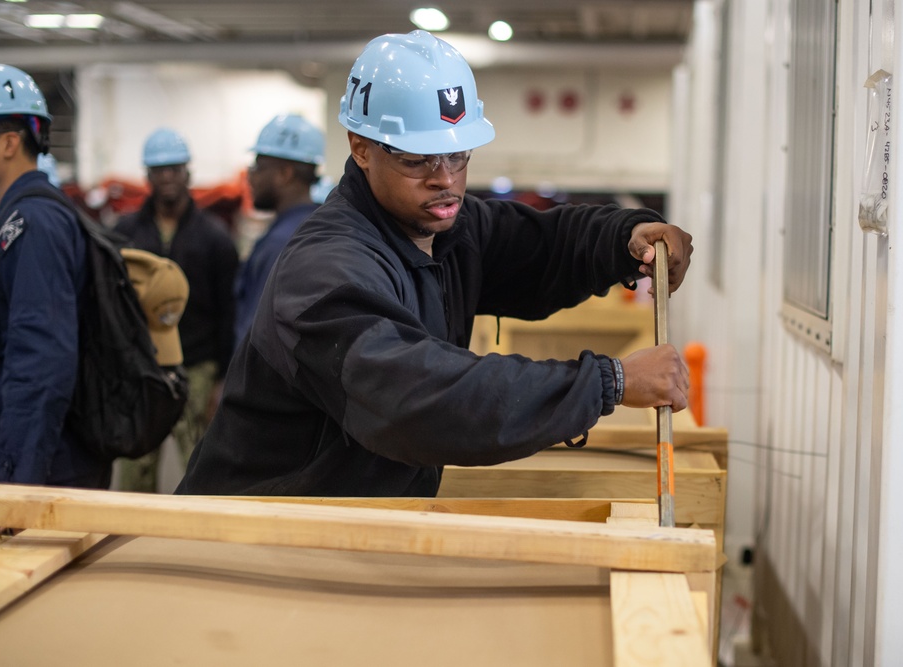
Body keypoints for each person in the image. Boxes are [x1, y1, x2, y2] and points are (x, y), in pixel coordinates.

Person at [177, 30, 693, 498]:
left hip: (345, 532)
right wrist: (610, 382)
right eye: (416, 159)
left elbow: (544, 244)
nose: (445, 179)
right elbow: (421, 401)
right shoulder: (325, 272)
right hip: (246, 542)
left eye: (457, 155)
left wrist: (626, 236)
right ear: (360, 148)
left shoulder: (444, 229)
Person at [0, 64, 109, 489]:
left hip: (33, 470)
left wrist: (16, 484)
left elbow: (40, 365)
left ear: (10, 142)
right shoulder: (9, 221)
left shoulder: (32, 226)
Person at [114, 128, 238, 492]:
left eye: (174, 168)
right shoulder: (125, 233)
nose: (167, 177)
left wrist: (221, 380)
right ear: (147, 177)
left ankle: (200, 543)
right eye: (159, 170)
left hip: (196, 366)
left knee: (200, 466)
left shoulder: (215, 238)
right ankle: (130, 544)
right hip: (140, 368)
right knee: (136, 465)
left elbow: (228, 310)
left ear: (188, 173)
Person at [234, 114, 325, 348]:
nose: (251, 177)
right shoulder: (317, 225)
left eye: (258, 167)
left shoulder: (282, 243)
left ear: (285, 174)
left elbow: (255, 333)